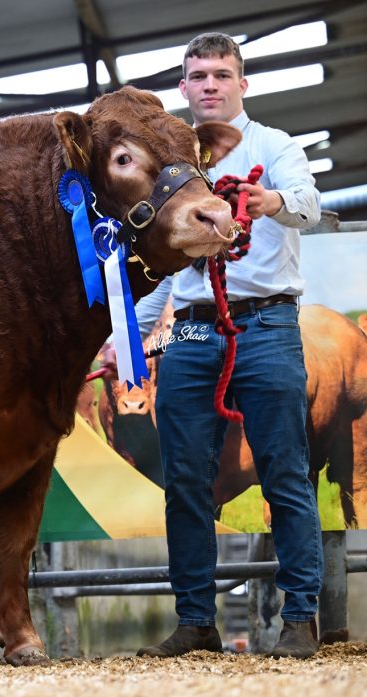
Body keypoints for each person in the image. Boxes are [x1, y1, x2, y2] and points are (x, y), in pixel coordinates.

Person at [132, 32, 323, 658]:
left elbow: (310, 205)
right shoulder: (171, 164)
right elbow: (165, 268)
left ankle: (300, 618)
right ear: (183, 88)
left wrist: (268, 200)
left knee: (284, 474)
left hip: (265, 324)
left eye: (221, 74)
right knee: (185, 478)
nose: (209, 84)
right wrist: (125, 337)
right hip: (189, 324)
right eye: (198, 76)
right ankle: (195, 621)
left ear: (243, 83)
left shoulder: (276, 146)